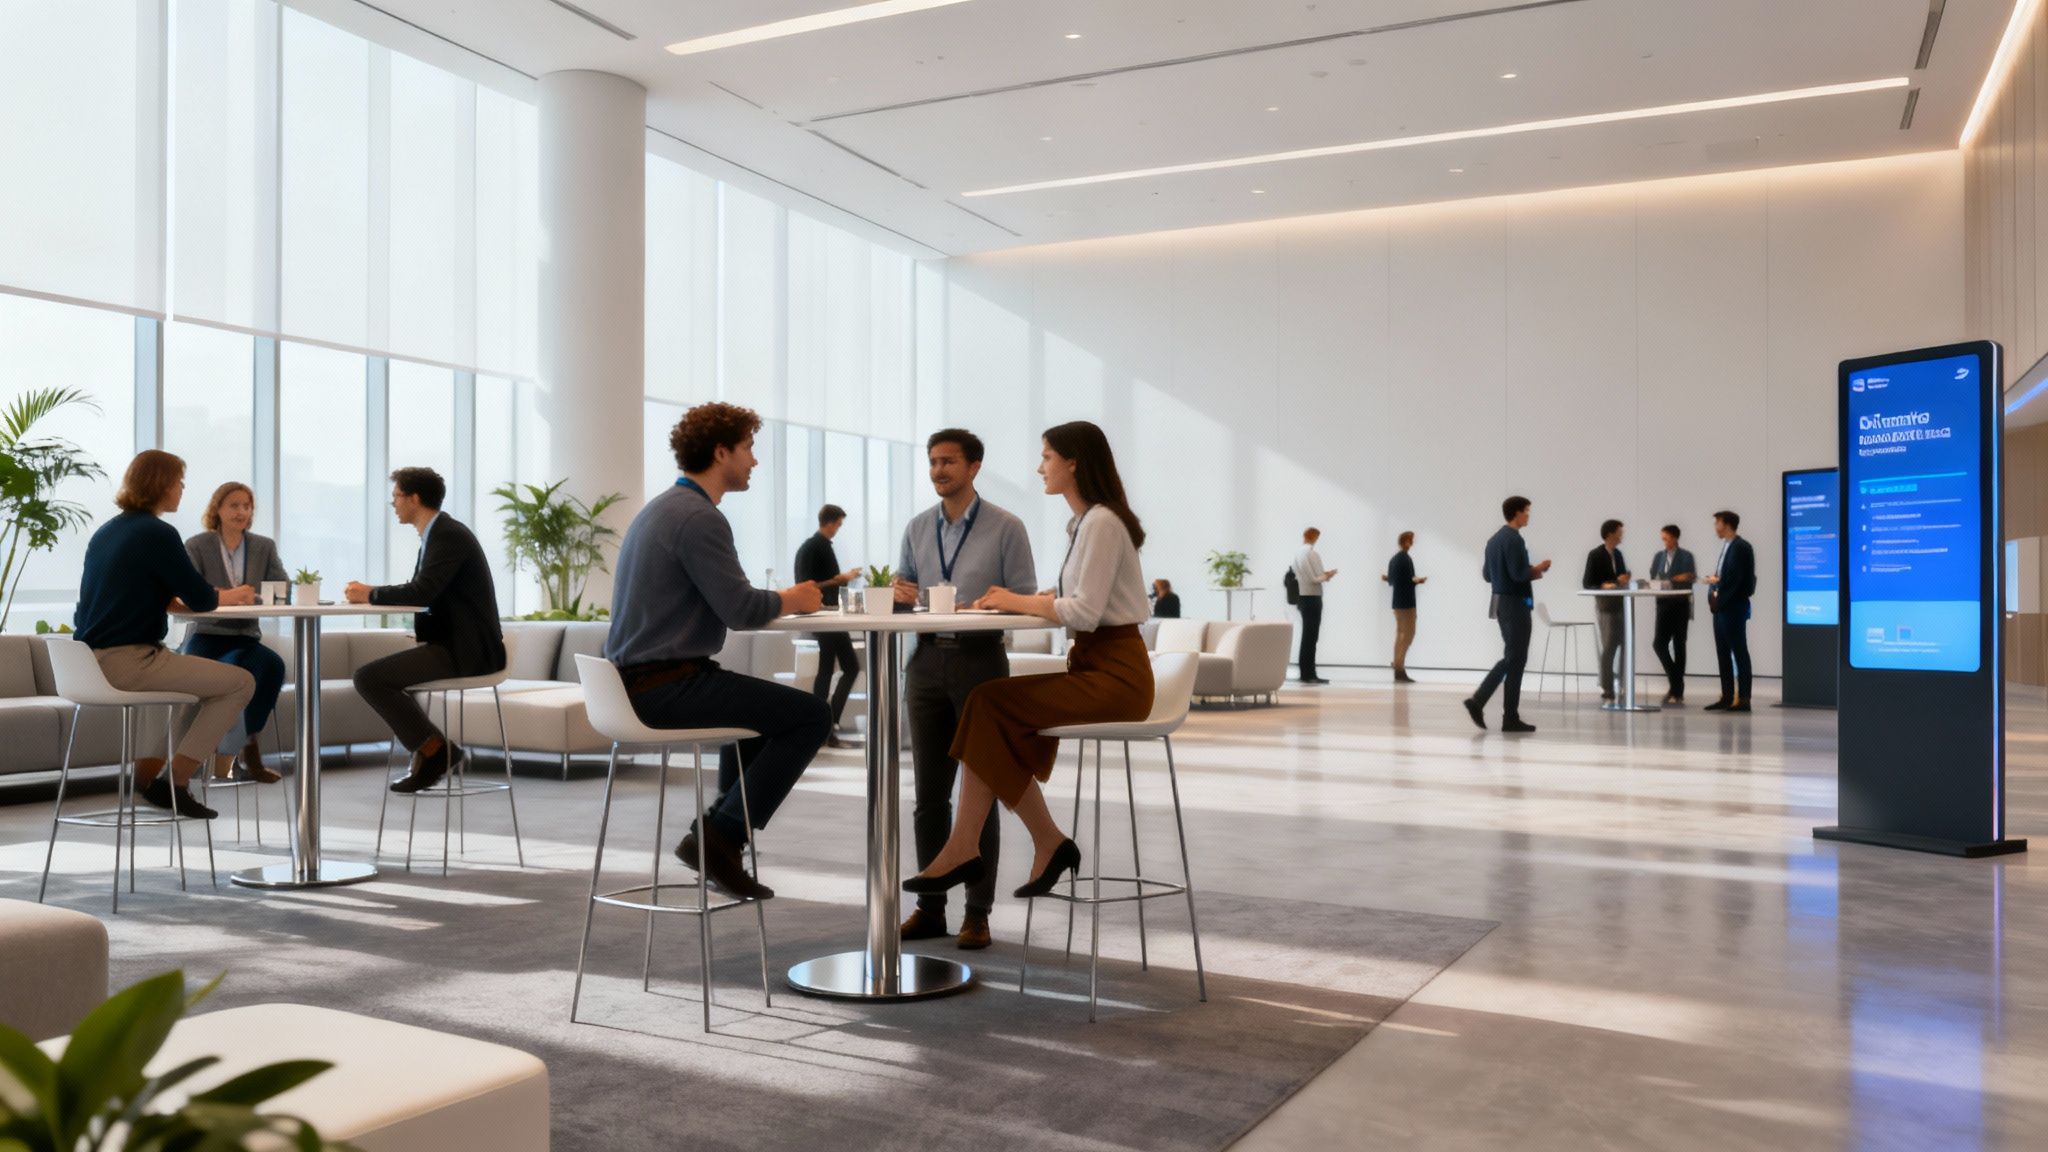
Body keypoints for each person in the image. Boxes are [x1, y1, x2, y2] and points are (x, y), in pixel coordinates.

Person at [903, 421, 1153, 906]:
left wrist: (1016, 601)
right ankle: (1018, 843)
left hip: (1116, 676)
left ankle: (994, 844)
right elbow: (1077, 600)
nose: (1040, 466)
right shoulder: (1083, 523)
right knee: (987, 705)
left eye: (1047, 457)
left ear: (1073, 462)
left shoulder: (1101, 521)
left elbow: (1083, 611)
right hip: (1094, 666)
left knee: (988, 704)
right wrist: (1024, 600)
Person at [604, 402, 829, 900]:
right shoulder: (698, 518)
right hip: (664, 685)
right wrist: (794, 597)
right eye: (748, 448)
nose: (754, 460)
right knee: (812, 715)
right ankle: (719, 837)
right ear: (721, 451)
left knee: (759, 716)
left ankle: (720, 835)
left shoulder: (663, 508)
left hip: (639, 682)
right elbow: (742, 610)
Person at [891, 428, 1038, 951]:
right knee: (929, 798)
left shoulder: (1007, 527)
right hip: (925, 662)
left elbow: (1024, 599)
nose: (938, 471)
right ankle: (930, 907)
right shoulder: (916, 527)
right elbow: (904, 595)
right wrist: (900, 594)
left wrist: (985, 607)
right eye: (932, 462)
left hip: (981, 664)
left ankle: (978, 912)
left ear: (974, 466)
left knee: (981, 794)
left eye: (948, 462)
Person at [73, 450, 256, 819]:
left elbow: (129, 594)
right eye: (179, 482)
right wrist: (230, 596)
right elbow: (203, 599)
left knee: (196, 687)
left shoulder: (108, 531)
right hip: (129, 661)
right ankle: (173, 782)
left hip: (87, 663)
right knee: (240, 683)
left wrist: (171, 601)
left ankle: (153, 780)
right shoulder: (157, 532)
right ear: (162, 485)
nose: (182, 489)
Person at [343, 468, 505, 795]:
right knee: (379, 678)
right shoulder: (437, 533)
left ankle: (435, 751)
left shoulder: (448, 535)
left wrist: (371, 593)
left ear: (414, 498)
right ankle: (431, 751)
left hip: (466, 651)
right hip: (455, 645)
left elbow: (421, 592)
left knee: (368, 678)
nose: (394, 505)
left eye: (397, 497)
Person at [181, 481, 288, 783]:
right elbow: (193, 590)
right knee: (230, 672)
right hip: (208, 637)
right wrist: (228, 595)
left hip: (245, 635)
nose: (242, 512)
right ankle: (210, 754)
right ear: (218, 508)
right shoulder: (198, 545)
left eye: (246, 506)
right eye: (234, 505)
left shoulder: (263, 546)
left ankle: (245, 748)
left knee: (272, 666)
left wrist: (253, 597)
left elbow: (281, 586)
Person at [1464, 496, 1552, 734]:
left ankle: (1510, 717)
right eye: (1526, 511)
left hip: (1500, 602)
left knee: (1515, 658)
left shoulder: (1493, 540)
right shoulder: (1514, 539)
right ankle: (1479, 700)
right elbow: (1518, 574)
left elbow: (1487, 575)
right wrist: (1539, 569)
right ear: (1516, 513)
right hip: (1515, 604)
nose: (1528, 515)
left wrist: (1517, 573)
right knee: (1514, 657)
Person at [793, 504, 863, 748]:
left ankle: (825, 727)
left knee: (838, 669)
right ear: (831, 522)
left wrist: (840, 579)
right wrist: (841, 579)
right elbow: (806, 586)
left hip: (827, 616)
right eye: (839, 524)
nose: (838, 530)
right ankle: (826, 728)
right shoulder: (816, 547)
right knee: (843, 669)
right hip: (826, 616)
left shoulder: (811, 547)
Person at [1703, 509, 1756, 713]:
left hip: (1733, 607)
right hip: (1721, 608)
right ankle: (1727, 696)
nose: (1715, 527)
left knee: (1739, 651)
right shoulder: (1727, 546)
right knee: (1723, 652)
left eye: (1717, 523)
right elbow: (1725, 577)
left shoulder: (1741, 547)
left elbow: (1738, 580)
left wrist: (1719, 587)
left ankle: (1743, 699)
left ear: (1726, 524)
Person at [1581, 520, 1630, 702]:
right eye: (1619, 532)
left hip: (1621, 604)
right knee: (1609, 645)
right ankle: (1607, 687)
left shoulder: (1618, 554)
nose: (1621, 535)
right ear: (1610, 534)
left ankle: (1622, 684)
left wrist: (1623, 579)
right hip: (1606, 606)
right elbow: (1587, 582)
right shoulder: (1595, 555)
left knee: (1624, 644)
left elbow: (1620, 577)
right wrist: (1603, 585)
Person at [1647, 524, 1697, 706]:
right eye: (1663, 539)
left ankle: (1676, 689)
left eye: (1667, 538)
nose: (1664, 542)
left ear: (1675, 538)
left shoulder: (1686, 556)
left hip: (1679, 605)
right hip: (1663, 604)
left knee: (1678, 644)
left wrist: (1677, 578)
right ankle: (1677, 683)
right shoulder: (1659, 557)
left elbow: (1690, 576)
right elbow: (1654, 576)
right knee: (1659, 644)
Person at [1292, 528, 1338, 684]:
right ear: (1314, 537)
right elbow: (1315, 578)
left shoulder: (1298, 553)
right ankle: (1309, 674)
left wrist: (1323, 575)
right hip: (1312, 597)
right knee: (1311, 637)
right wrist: (1328, 575)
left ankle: (1306, 672)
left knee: (1307, 636)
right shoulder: (1311, 553)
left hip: (1302, 596)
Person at [1382, 532, 1426, 682]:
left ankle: (1398, 666)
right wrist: (1417, 580)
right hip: (1406, 603)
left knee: (1400, 634)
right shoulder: (1405, 559)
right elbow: (1408, 579)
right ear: (1404, 541)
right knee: (1408, 634)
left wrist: (1389, 578)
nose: (1412, 543)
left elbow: (1391, 580)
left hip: (1397, 602)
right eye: (1410, 540)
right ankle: (1398, 666)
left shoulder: (1394, 559)